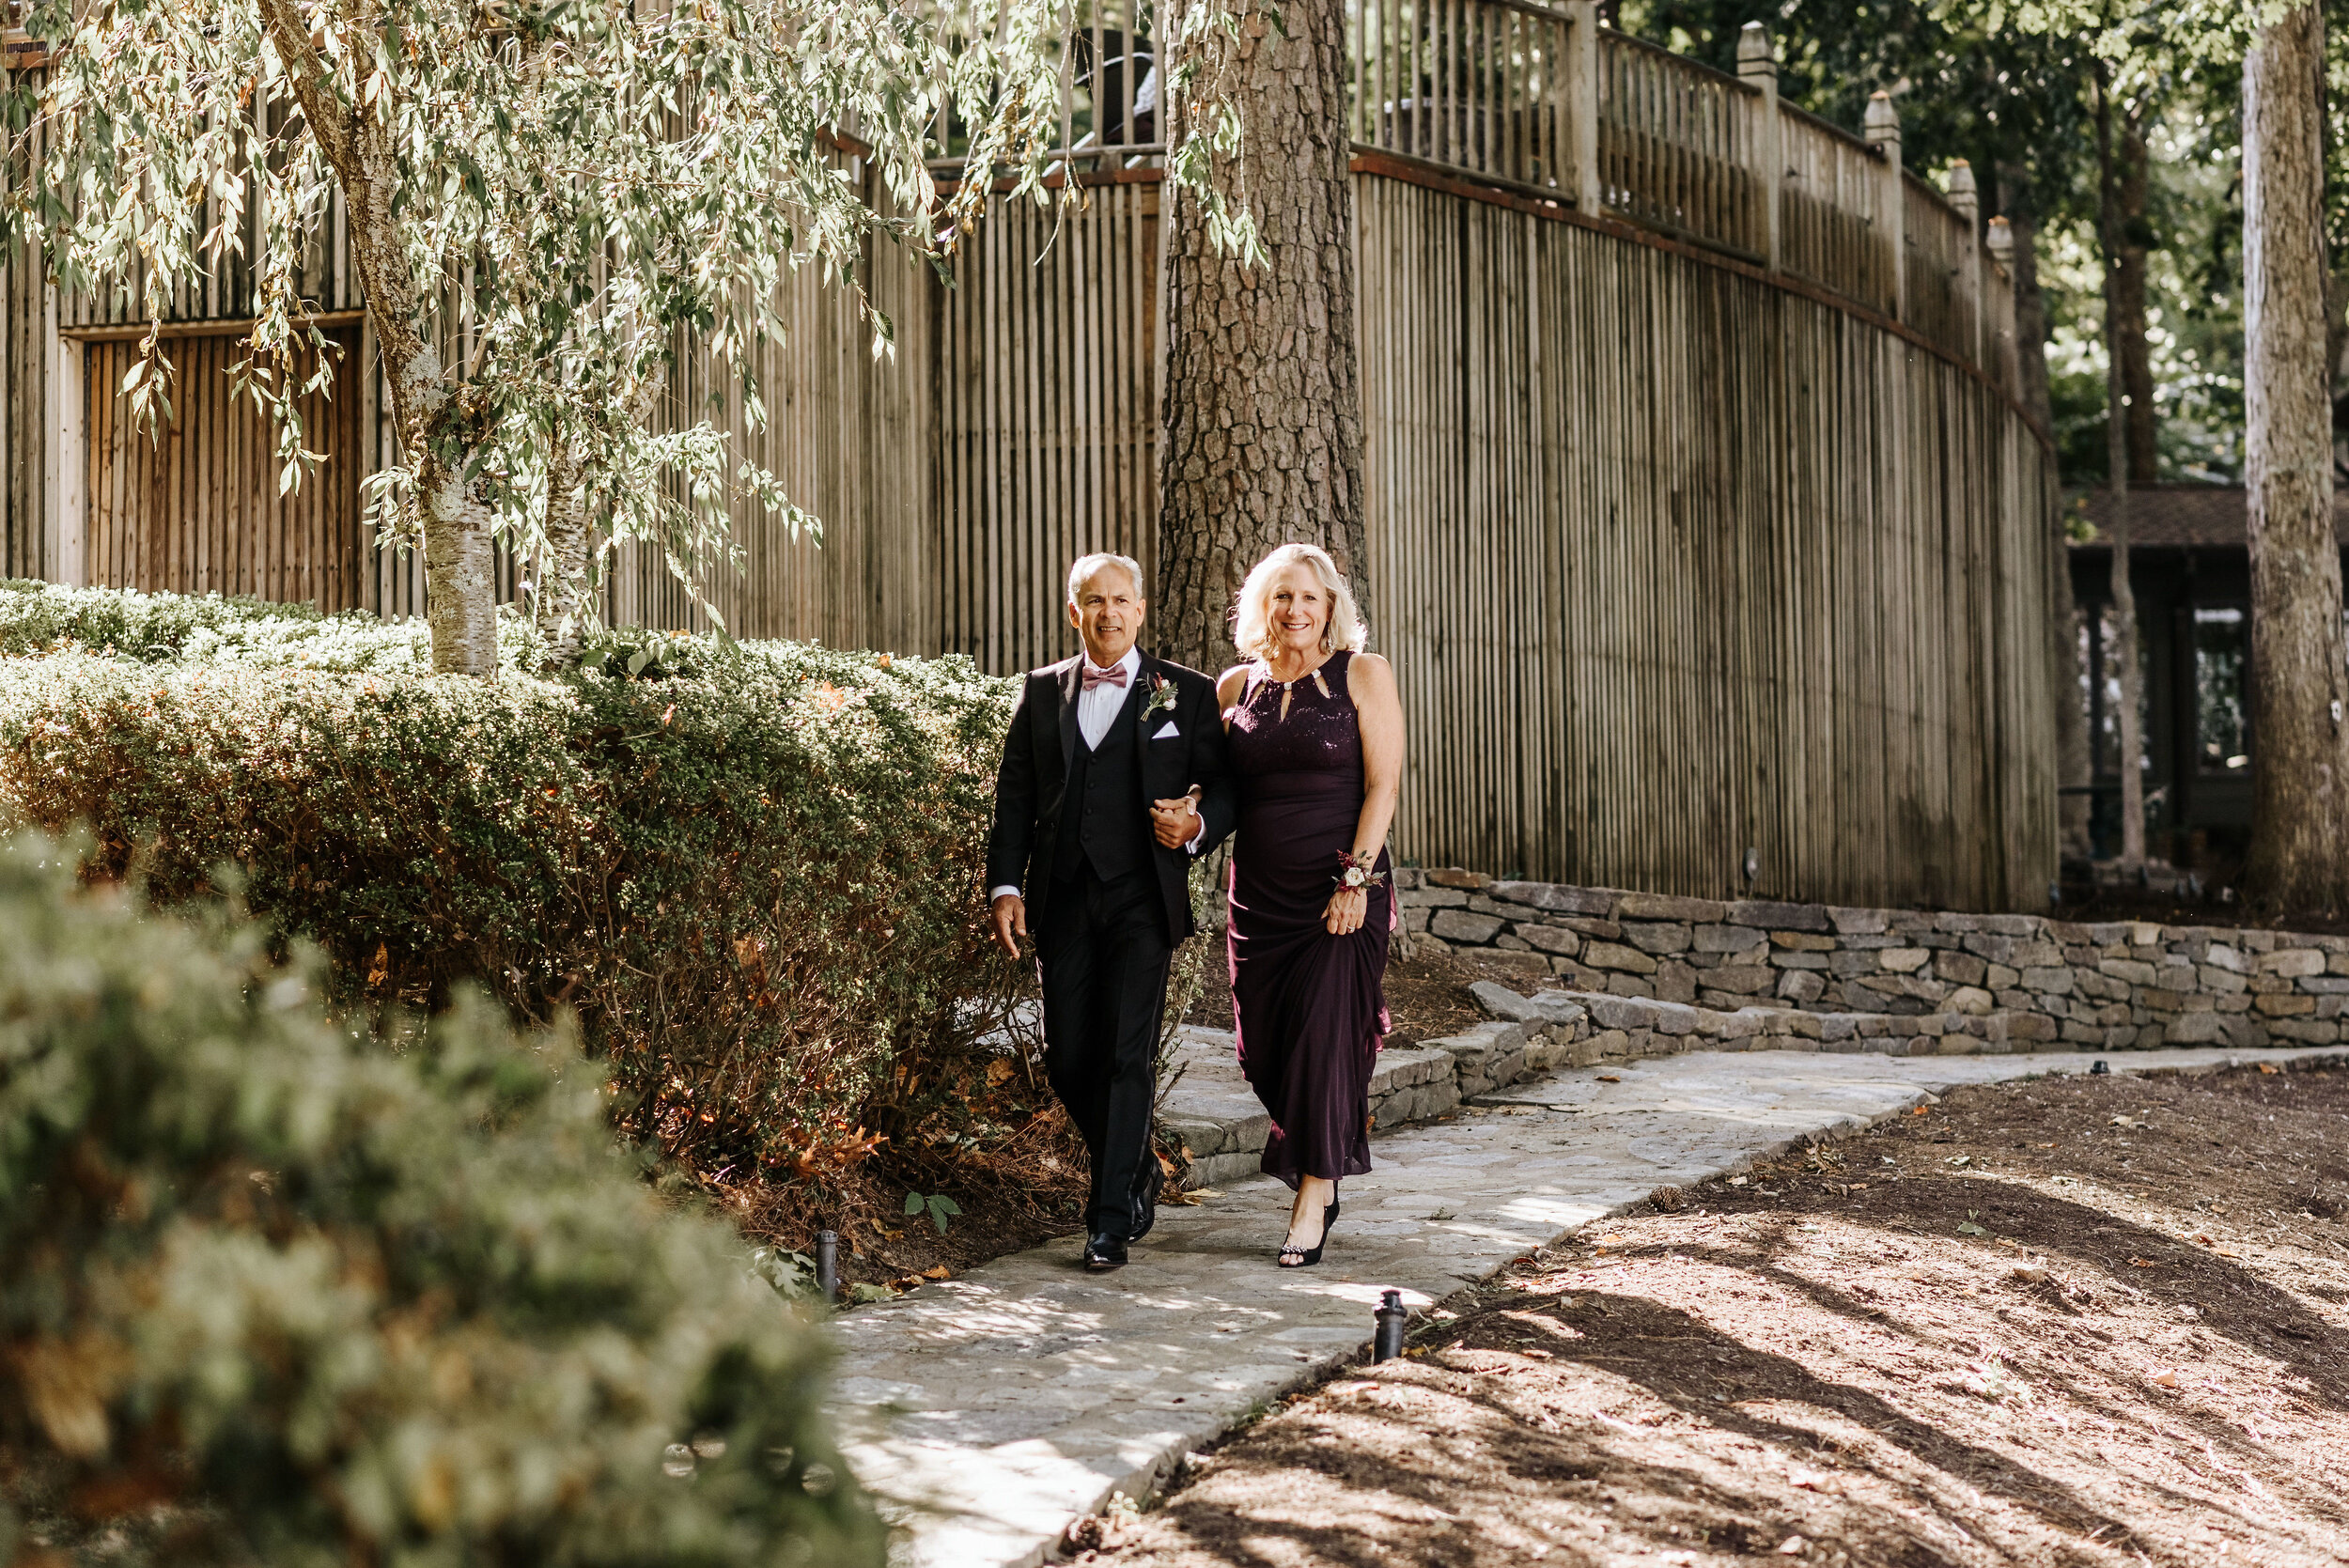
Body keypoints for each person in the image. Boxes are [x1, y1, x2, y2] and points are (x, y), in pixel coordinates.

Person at [985, 554, 1235, 1271]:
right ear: (1074, 612)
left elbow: (1223, 789)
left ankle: (1108, 1221)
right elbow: (1016, 799)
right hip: (1062, 896)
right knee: (1068, 1060)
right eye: (1093, 601)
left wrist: (1194, 828)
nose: (1108, 613)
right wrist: (1006, 886)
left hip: (1141, 900)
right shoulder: (1041, 693)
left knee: (1127, 1056)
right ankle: (1137, 1170)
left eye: (1120, 600)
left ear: (1141, 608)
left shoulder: (1182, 694)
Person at [1217, 543, 1405, 1268]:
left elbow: (1383, 784)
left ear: (1332, 608)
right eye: (1282, 596)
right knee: (1266, 1050)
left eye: (1310, 597)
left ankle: (1314, 1191)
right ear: (1261, 605)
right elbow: (1218, 787)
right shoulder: (1234, 688)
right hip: (1259, 898)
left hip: (1339, 889)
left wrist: (1356, 879)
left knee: (1327, 1034)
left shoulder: (1363, 673)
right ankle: (1319, 1161)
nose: (1295, 609)